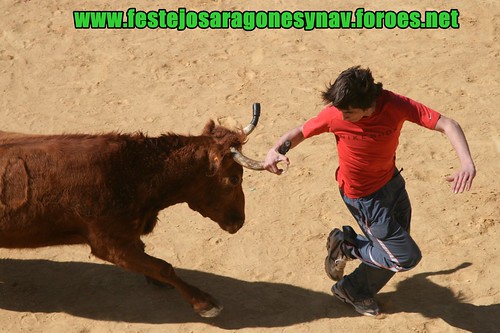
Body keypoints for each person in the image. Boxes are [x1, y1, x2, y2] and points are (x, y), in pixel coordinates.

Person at [263, 66, 476, 316]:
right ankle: (346, 246)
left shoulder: (396, 105)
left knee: (387, 251)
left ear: (368, 105)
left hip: (393, 184)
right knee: (402, 258)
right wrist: (277, 149)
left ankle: (352, 289)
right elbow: (301, 131)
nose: (341, 117)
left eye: (349, 112)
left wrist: (467, 163)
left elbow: (447, 124)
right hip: (364, 199)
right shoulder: (336, 114)